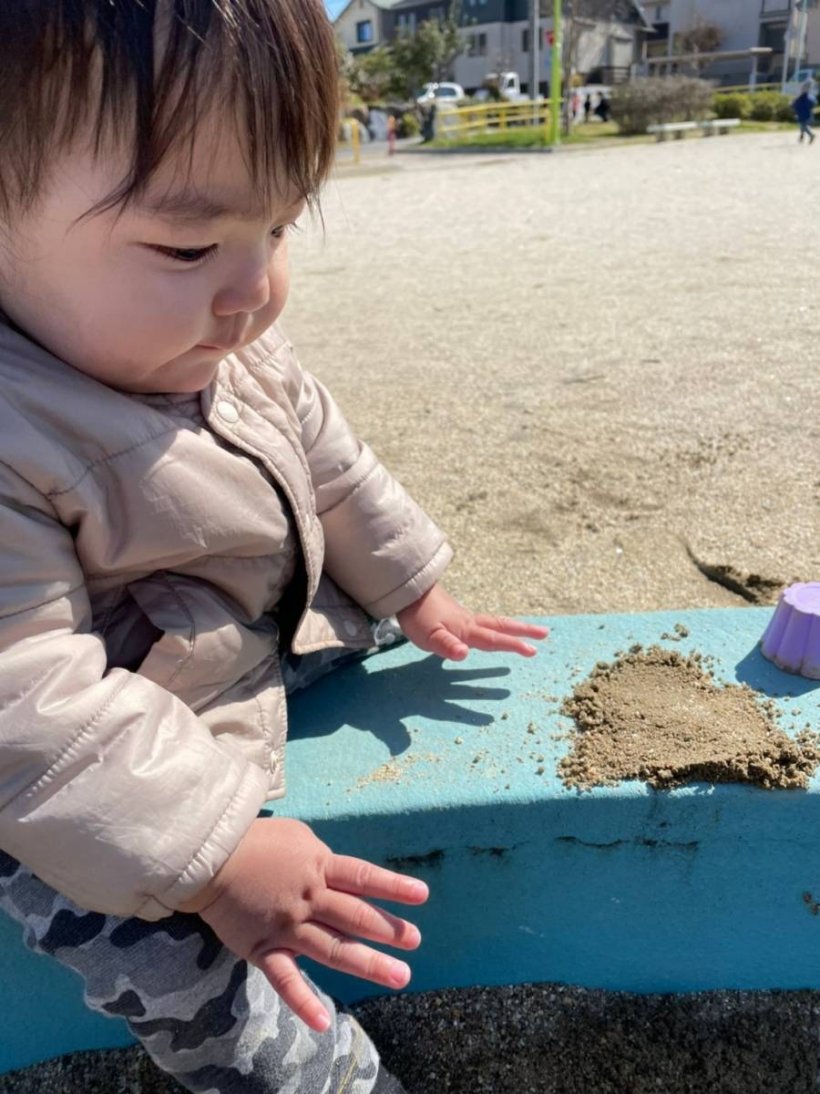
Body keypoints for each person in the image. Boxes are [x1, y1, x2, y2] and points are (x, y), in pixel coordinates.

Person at [0, 3, 548, 1093]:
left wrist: (411, 584)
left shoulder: (226, 344)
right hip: (72, 782)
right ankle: (311, 1074)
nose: (252, 291)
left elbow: (331, 464)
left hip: (231, 644)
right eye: (188, 245)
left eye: (281, 229)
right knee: (163, 950)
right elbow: (25, 699)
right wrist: (211, 855)